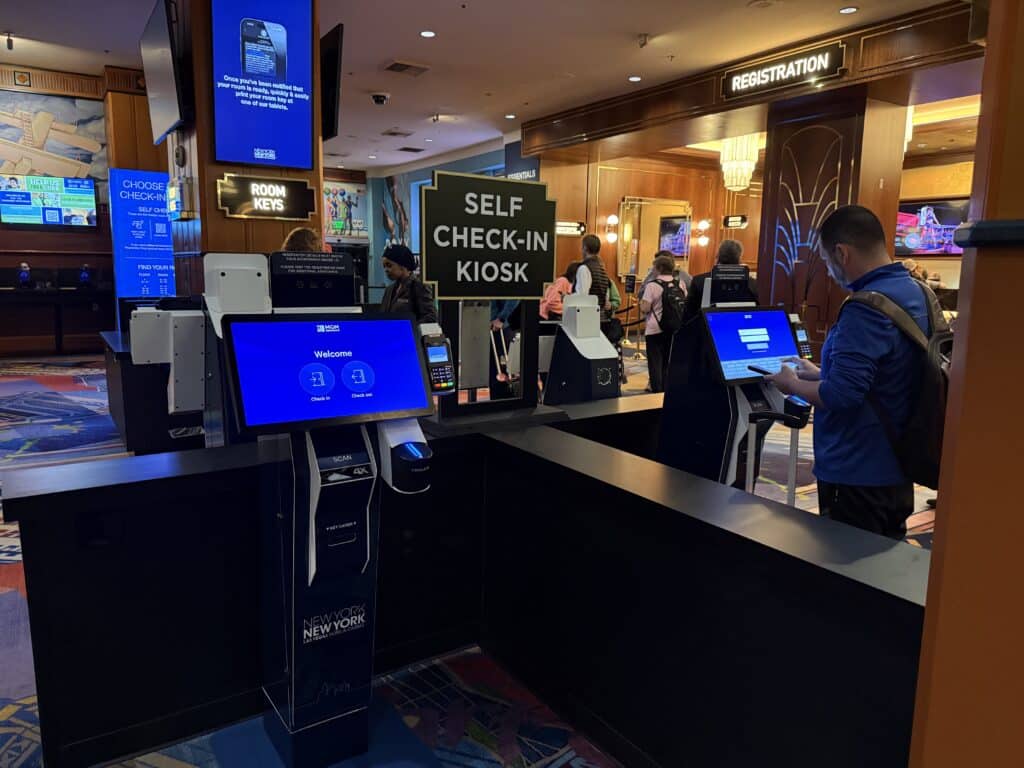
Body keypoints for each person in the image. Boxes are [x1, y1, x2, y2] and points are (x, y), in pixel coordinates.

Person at [765, 205, 932, 540]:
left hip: (856, 470)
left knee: (845, 573)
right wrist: (820, 371)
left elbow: (841, 396)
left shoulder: (866, 307)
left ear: (841, 252)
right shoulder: (918, 293)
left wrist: (791, 383)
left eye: (827, 262)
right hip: (897, 463)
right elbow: (884, 373)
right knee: (881, 569)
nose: (829, 272)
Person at [682, 240, 757, 323]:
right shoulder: (752, 284)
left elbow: (688, 316)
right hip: (739, 327)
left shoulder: (699, 281)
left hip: (706, 332)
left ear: (717, 256)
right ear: (739, 257)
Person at [639, 253, 678, 393]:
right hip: (673, 327)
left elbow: (645, 308)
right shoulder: (680, 284)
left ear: (660, 268)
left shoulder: (652, 286)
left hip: (655, 328)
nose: (652, 270)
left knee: (655, 362)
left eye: (654, 267)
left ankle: (657, 390)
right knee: (668, 360)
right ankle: (667, 389)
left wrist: (641, 304)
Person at [379, 244, 437, 324]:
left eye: (389, 265)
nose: (386, 270)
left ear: (403, 265)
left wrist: (409, 329)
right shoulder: (389, 290)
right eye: (384, 266)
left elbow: (430, 317)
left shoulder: (418, 287)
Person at [574, 234, 612, 319]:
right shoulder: (602, 268)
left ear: (585, 248)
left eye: (582, 247)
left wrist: (567, 298)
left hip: (587, 316)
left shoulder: (584, 268)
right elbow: (606, 295)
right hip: (600, 314)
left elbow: (582, 296)